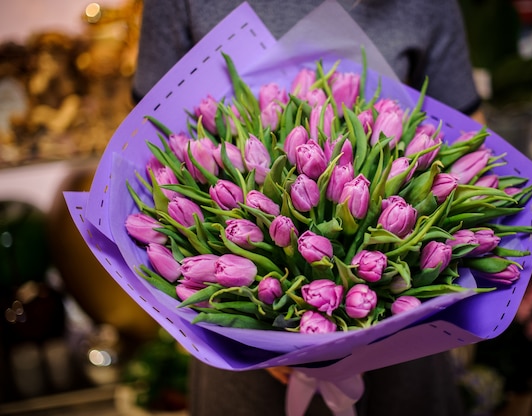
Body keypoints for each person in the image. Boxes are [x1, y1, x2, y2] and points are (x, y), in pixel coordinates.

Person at [133, 1, 483, 414]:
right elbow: (143, 151)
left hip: (401, 351)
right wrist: (225, 332)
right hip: (236, 354)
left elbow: (462, 142)